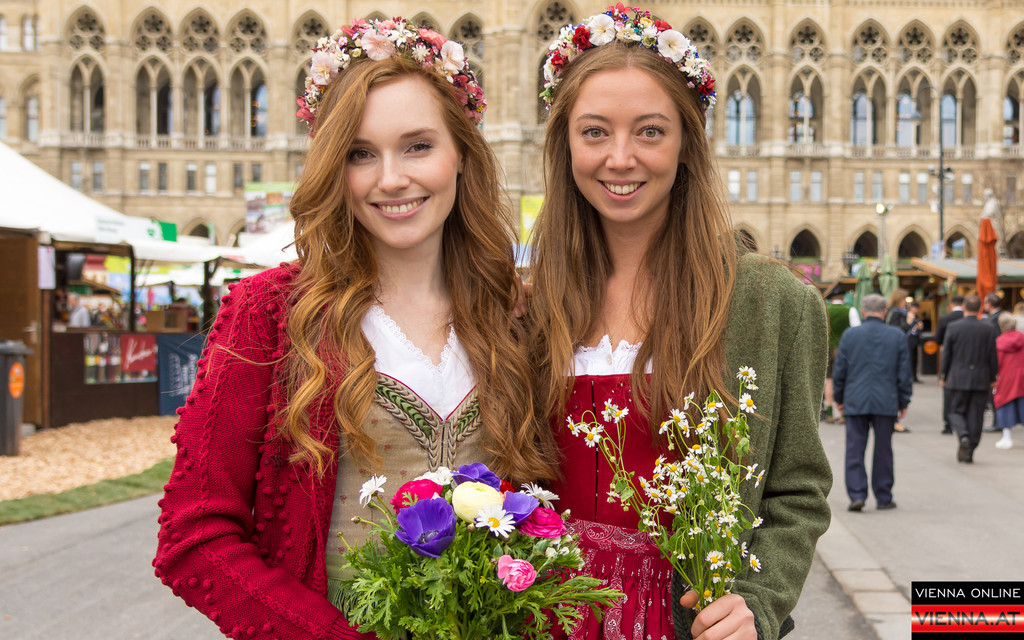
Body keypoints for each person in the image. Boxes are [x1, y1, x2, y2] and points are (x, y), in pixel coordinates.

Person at [153, 17, 557, 640]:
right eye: (360, 154)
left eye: (417, 146)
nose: (391, 178)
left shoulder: (515, 314)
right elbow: (194, 535)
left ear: (460, 154)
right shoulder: (270, 314)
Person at [529, 7, 832, 639]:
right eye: (594, 132)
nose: (620, 158)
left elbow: (797, 491)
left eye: (649, 131)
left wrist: (758, 602)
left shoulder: (770, 301)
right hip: (544, 617)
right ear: (566, 144)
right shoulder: (529, 305)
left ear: (687, 143)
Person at [832, 294, 912, 512]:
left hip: (855, 398)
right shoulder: (897, 336)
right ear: (885, 311)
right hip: (886, 400)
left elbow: (840, 370)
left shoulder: (850, 335)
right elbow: (904, 373)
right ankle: (883, 496)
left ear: (863, 311)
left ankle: (857, 494)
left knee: (854, 449)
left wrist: (839, 398)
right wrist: (903, 400)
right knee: (884, 449)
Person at [941, 294, 999, 463]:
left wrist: (943, 374)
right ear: (980, 308)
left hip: (958, 376)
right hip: (981, 377)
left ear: (964, 308)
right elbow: (992, 355)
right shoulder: (988, 328)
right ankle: (970, 447)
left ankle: (963, 435)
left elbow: (947, 353)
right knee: (976, 415)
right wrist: (993, 376)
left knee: (954, 410)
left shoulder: (954, 327)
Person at [993, 313, 1024, 449]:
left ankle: (1007, 437)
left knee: (1004, 404)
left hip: (1005, 376)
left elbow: (996, 362)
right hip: (1022, 375)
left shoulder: (999, 342)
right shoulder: (1022, 338)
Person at [936, 294, 965, 434]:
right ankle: (963, 422)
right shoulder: (968, 319)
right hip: (967, 358)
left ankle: (948, 424)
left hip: (950, 357)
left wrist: (942, 373)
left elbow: (938, 339)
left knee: (948, 394)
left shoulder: (945, 319)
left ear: (952, 304)